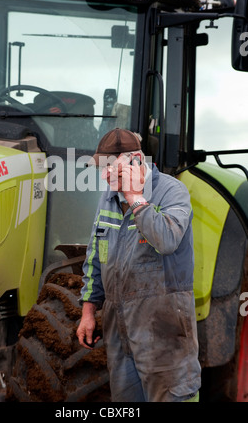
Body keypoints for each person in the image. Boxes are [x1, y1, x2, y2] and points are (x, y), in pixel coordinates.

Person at [76, 128, 201, 402]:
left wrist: (135, 198)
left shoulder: (171, 191)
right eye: (102, 167)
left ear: (134, 161)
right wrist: (88, 311)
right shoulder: (108, 198)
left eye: (110, 167)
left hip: (164, 330)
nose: (104, 175)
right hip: (119, 332)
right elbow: (98, 254)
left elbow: (167, 240)